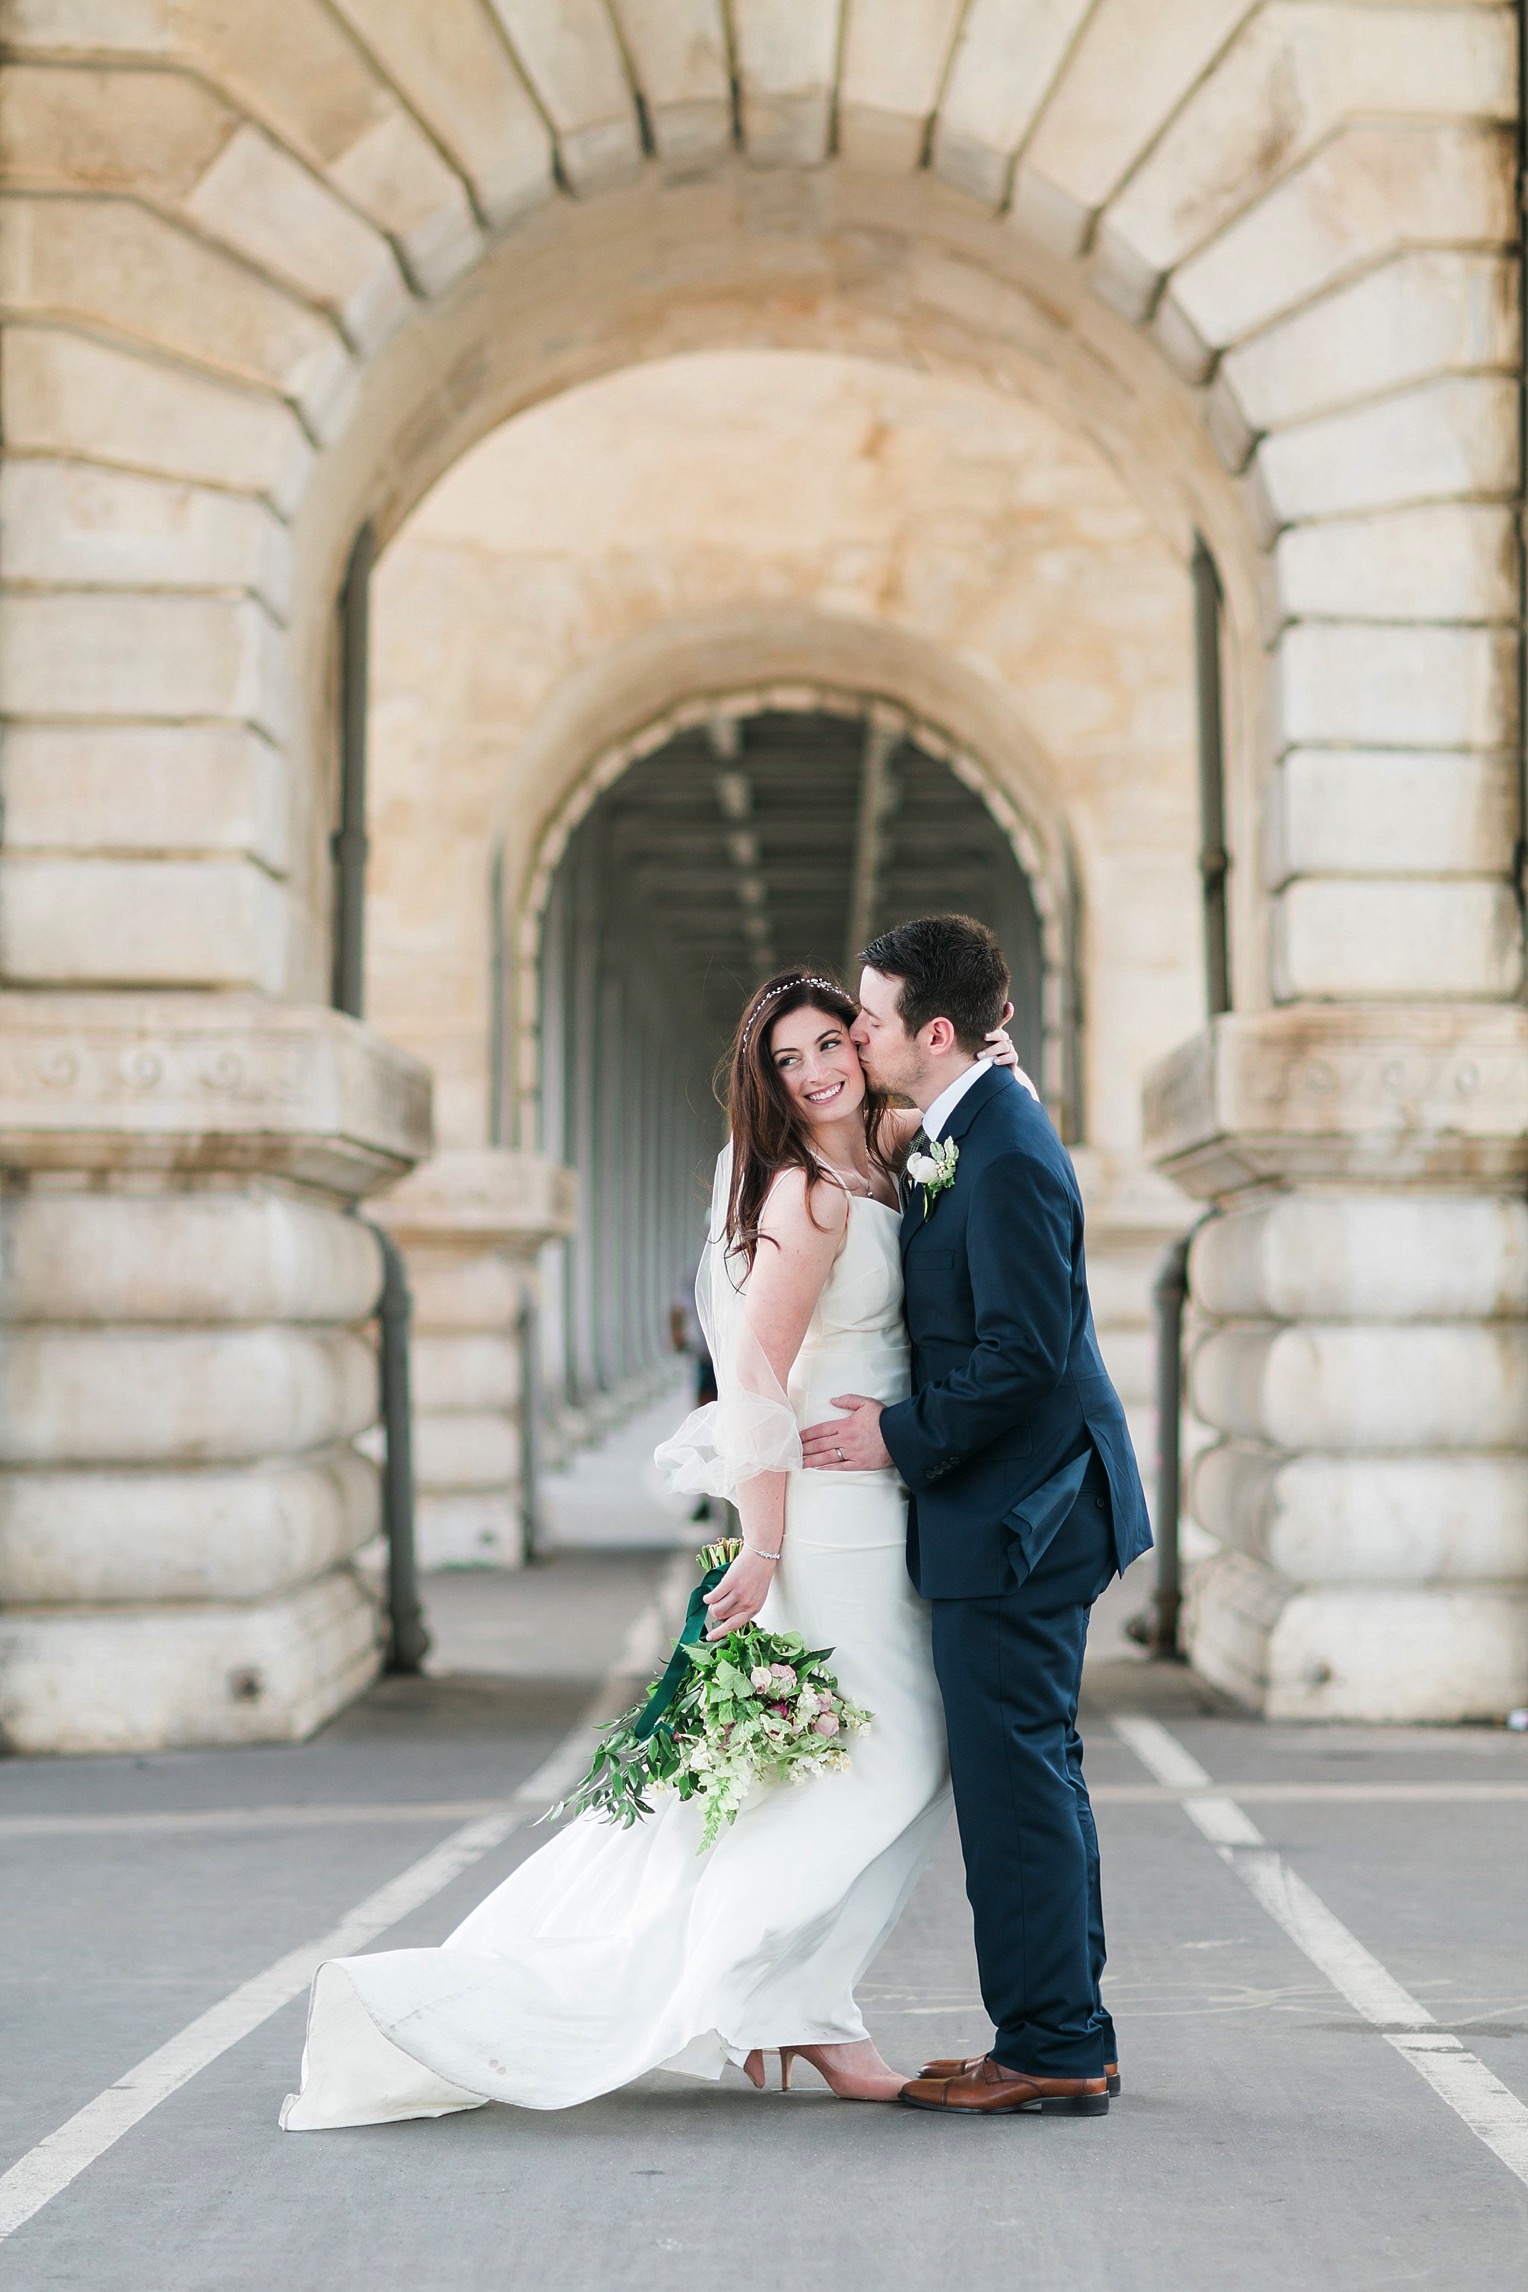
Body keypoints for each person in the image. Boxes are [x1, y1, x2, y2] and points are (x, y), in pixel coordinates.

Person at [280, 969, 1021, 2127]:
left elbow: (966, 1104)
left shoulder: (887, 1143)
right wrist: (761, 1547)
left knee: (864, 1767)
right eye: (791, 1060)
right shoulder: (805, 1196)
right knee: (899, 1761)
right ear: (765, 1081)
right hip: (829, 1516)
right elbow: (755, 1375)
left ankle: (796, 2007)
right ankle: (776, 2002)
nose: (820, 1069)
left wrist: (995, 1071)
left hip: (891, 1495)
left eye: (834, 1041)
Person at [799, 914, 1152, 2117]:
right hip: (1022, 1514)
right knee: (1028, 1774)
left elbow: (1019, 1354)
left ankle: (1049, 2046)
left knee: (1015, 1784)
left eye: (872, 1017)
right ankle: (1059, 2031)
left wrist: (892, 1436)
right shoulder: (976, 1123)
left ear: (933, 1032)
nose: (853, 1031)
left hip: (1022, 1522)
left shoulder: (997, 1149)